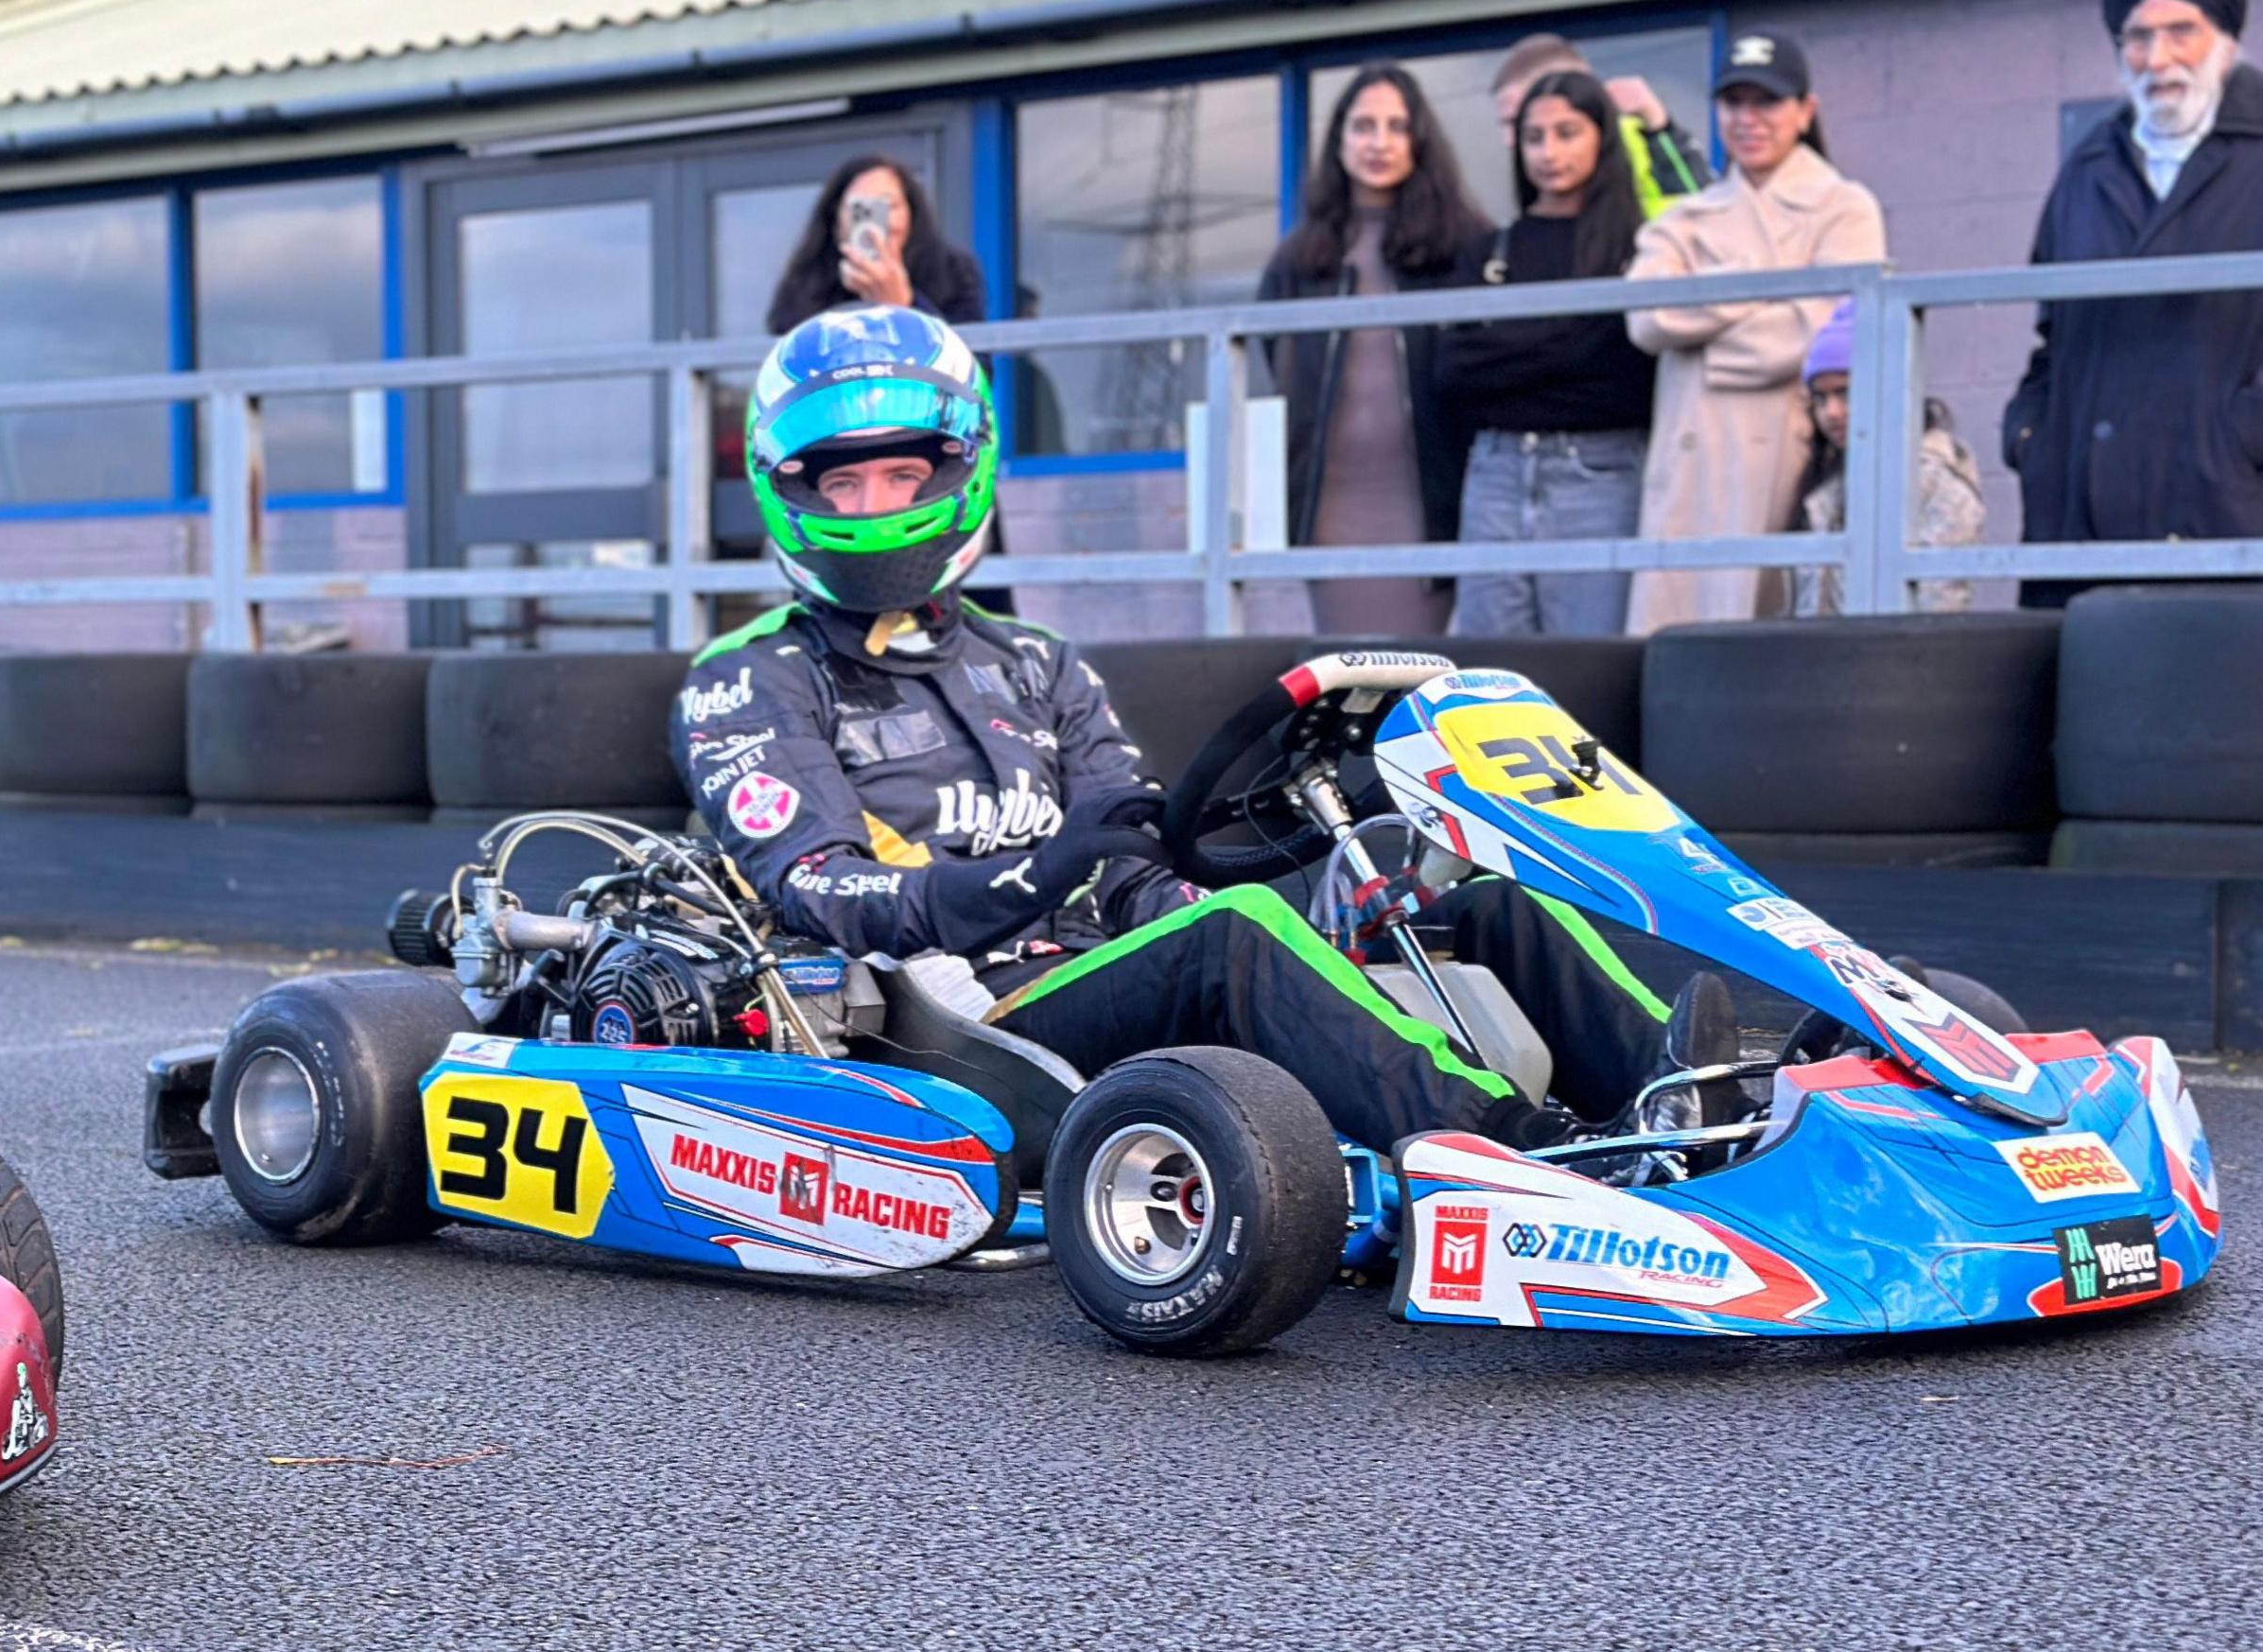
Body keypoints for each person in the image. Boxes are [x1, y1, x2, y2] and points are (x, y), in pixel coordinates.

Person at [670, 304, 1727, 1163]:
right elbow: (817, 890)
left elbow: (1143, 880)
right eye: (843, 483)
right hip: (959, 1032)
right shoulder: (751, 679)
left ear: (959, 473)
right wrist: (1040, 877)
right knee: (1236, 945)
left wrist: (1323, 875)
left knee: (1478, 900)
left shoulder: (1035, 661)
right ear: (790, 494)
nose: (873, 505)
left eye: (902, 476)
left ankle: (1695, 1105)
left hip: (1102, 971)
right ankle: (1524, 1155)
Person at [2003, 0, 2263, 607]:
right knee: (2081, 703)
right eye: (2137, 37)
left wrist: (2240, 435)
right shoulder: (2090, 163)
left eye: (2181, 31)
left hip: (2214, 510)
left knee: (2210, 701)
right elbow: (2052, 335)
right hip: (2075, 519)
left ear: (2226, 38)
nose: (2157, 59)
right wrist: (2031, 436)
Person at [1622, 33, 1889, 633]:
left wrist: (1706, 330)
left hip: (1783, 456)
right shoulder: (1687, 216)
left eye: (1766, 102)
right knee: (1674, 644)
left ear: (1805, 111)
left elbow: (1818, 333)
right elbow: (1646, 317)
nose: (1747, 120)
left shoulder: (1844, 207)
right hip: (1689, 467)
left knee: (1766, 638)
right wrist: (1759, 287)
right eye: (1733, 103)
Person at [1256, 64, 1492, 634]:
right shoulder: (1300, 259)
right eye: (1363, 126)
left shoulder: (1463, 246)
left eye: (1395, 127)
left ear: (1419, 141)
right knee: (1348, 677)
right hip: (1331, 509)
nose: (1379, 143)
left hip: (1430, 504)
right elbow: (1264, 371)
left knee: (1418, 672)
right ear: (1339, 141)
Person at [1432, 72, 1658, 635]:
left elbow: (1623, 373)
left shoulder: (1639, 245)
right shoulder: (1488, 251)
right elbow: (1455, 368)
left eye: (1567, 133)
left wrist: (1510, 350)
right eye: (1534, 137)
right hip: (1495, 470)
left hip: (1598, 471)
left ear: (1600, 137)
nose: (1549, 152)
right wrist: (1573, 338)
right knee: (1490, 679)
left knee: (1588, 669)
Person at [1782, 303, 1985, 617]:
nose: (1831, 413)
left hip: (1896, 660)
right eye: (1820, 399)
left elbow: (1939, 613)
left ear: (1888, 386)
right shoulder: (1827, 490)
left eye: (1845, 392)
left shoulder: (1934, 483)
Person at [762, 156, 987, 334]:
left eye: (889, 205)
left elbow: (974, 369)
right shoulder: (806, 281)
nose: (878, 222)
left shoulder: (952, 270)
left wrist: (905, 307)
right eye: (861, 209)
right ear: (836, 219)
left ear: (911, 213)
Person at [1492, 35, 1707, 219]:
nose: (1509, 140)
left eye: (1516, 121)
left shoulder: (1643, 139)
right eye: (1532, 133)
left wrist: (1659, 128)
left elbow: (1705, 214)